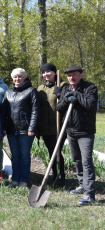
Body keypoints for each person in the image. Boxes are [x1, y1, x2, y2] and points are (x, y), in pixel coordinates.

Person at [56, 65, 98, 204]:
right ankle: (81, 184)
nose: (71, 78)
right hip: (70, 130)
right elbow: (59, 108)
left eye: (74, 74)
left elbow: (90, 105)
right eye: (69, 75)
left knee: (87, 162)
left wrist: (76, 95)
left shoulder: (90, 88)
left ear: (80, 75)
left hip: (85, 131)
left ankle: (89, 194)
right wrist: (65, 100)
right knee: (77, 160)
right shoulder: (65, 89)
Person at [2, 68, 39, 188]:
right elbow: (4, 112)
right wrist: (2, 127)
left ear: (24, 78)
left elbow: (35, 111)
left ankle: (24, 179)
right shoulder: (8, 92)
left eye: (20, 77)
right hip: (12, 129)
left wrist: (32, 127)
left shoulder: (31, 91)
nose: (17, 79)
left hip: (26, 129)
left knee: (24, 154)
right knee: (15, 154)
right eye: (15, 77)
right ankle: (15, 179)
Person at [37, 63, 67, 185]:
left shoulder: (63, 85)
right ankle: (55, 174)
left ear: (54, 73)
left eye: (48, 71)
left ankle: (61, 176)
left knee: (57, 151)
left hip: (58, 126)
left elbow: (66, 103)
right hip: (44, 127)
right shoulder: (40, 88)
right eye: (44, 72)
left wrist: (62, 94)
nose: (46, 74)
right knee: (51, 151)